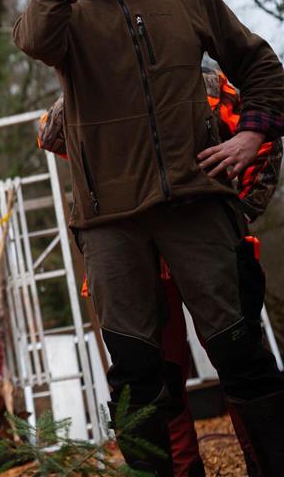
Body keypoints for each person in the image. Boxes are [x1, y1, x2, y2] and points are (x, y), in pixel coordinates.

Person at [13, 0, 284, 475]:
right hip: (109, 224)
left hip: (197, 205)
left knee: (242, 355)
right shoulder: (65, 12)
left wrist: (251, 135)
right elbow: (32, 39)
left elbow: (262, 66)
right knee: (136, 377)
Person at [37, 70, 282, 477]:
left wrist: (239, 211)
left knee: (242, 362)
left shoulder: (207, 85)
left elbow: (264, 136)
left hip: (210, 246)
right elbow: (49, 134)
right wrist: (87, 78)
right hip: (137, 264)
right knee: (153, 380)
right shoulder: (93, 92)